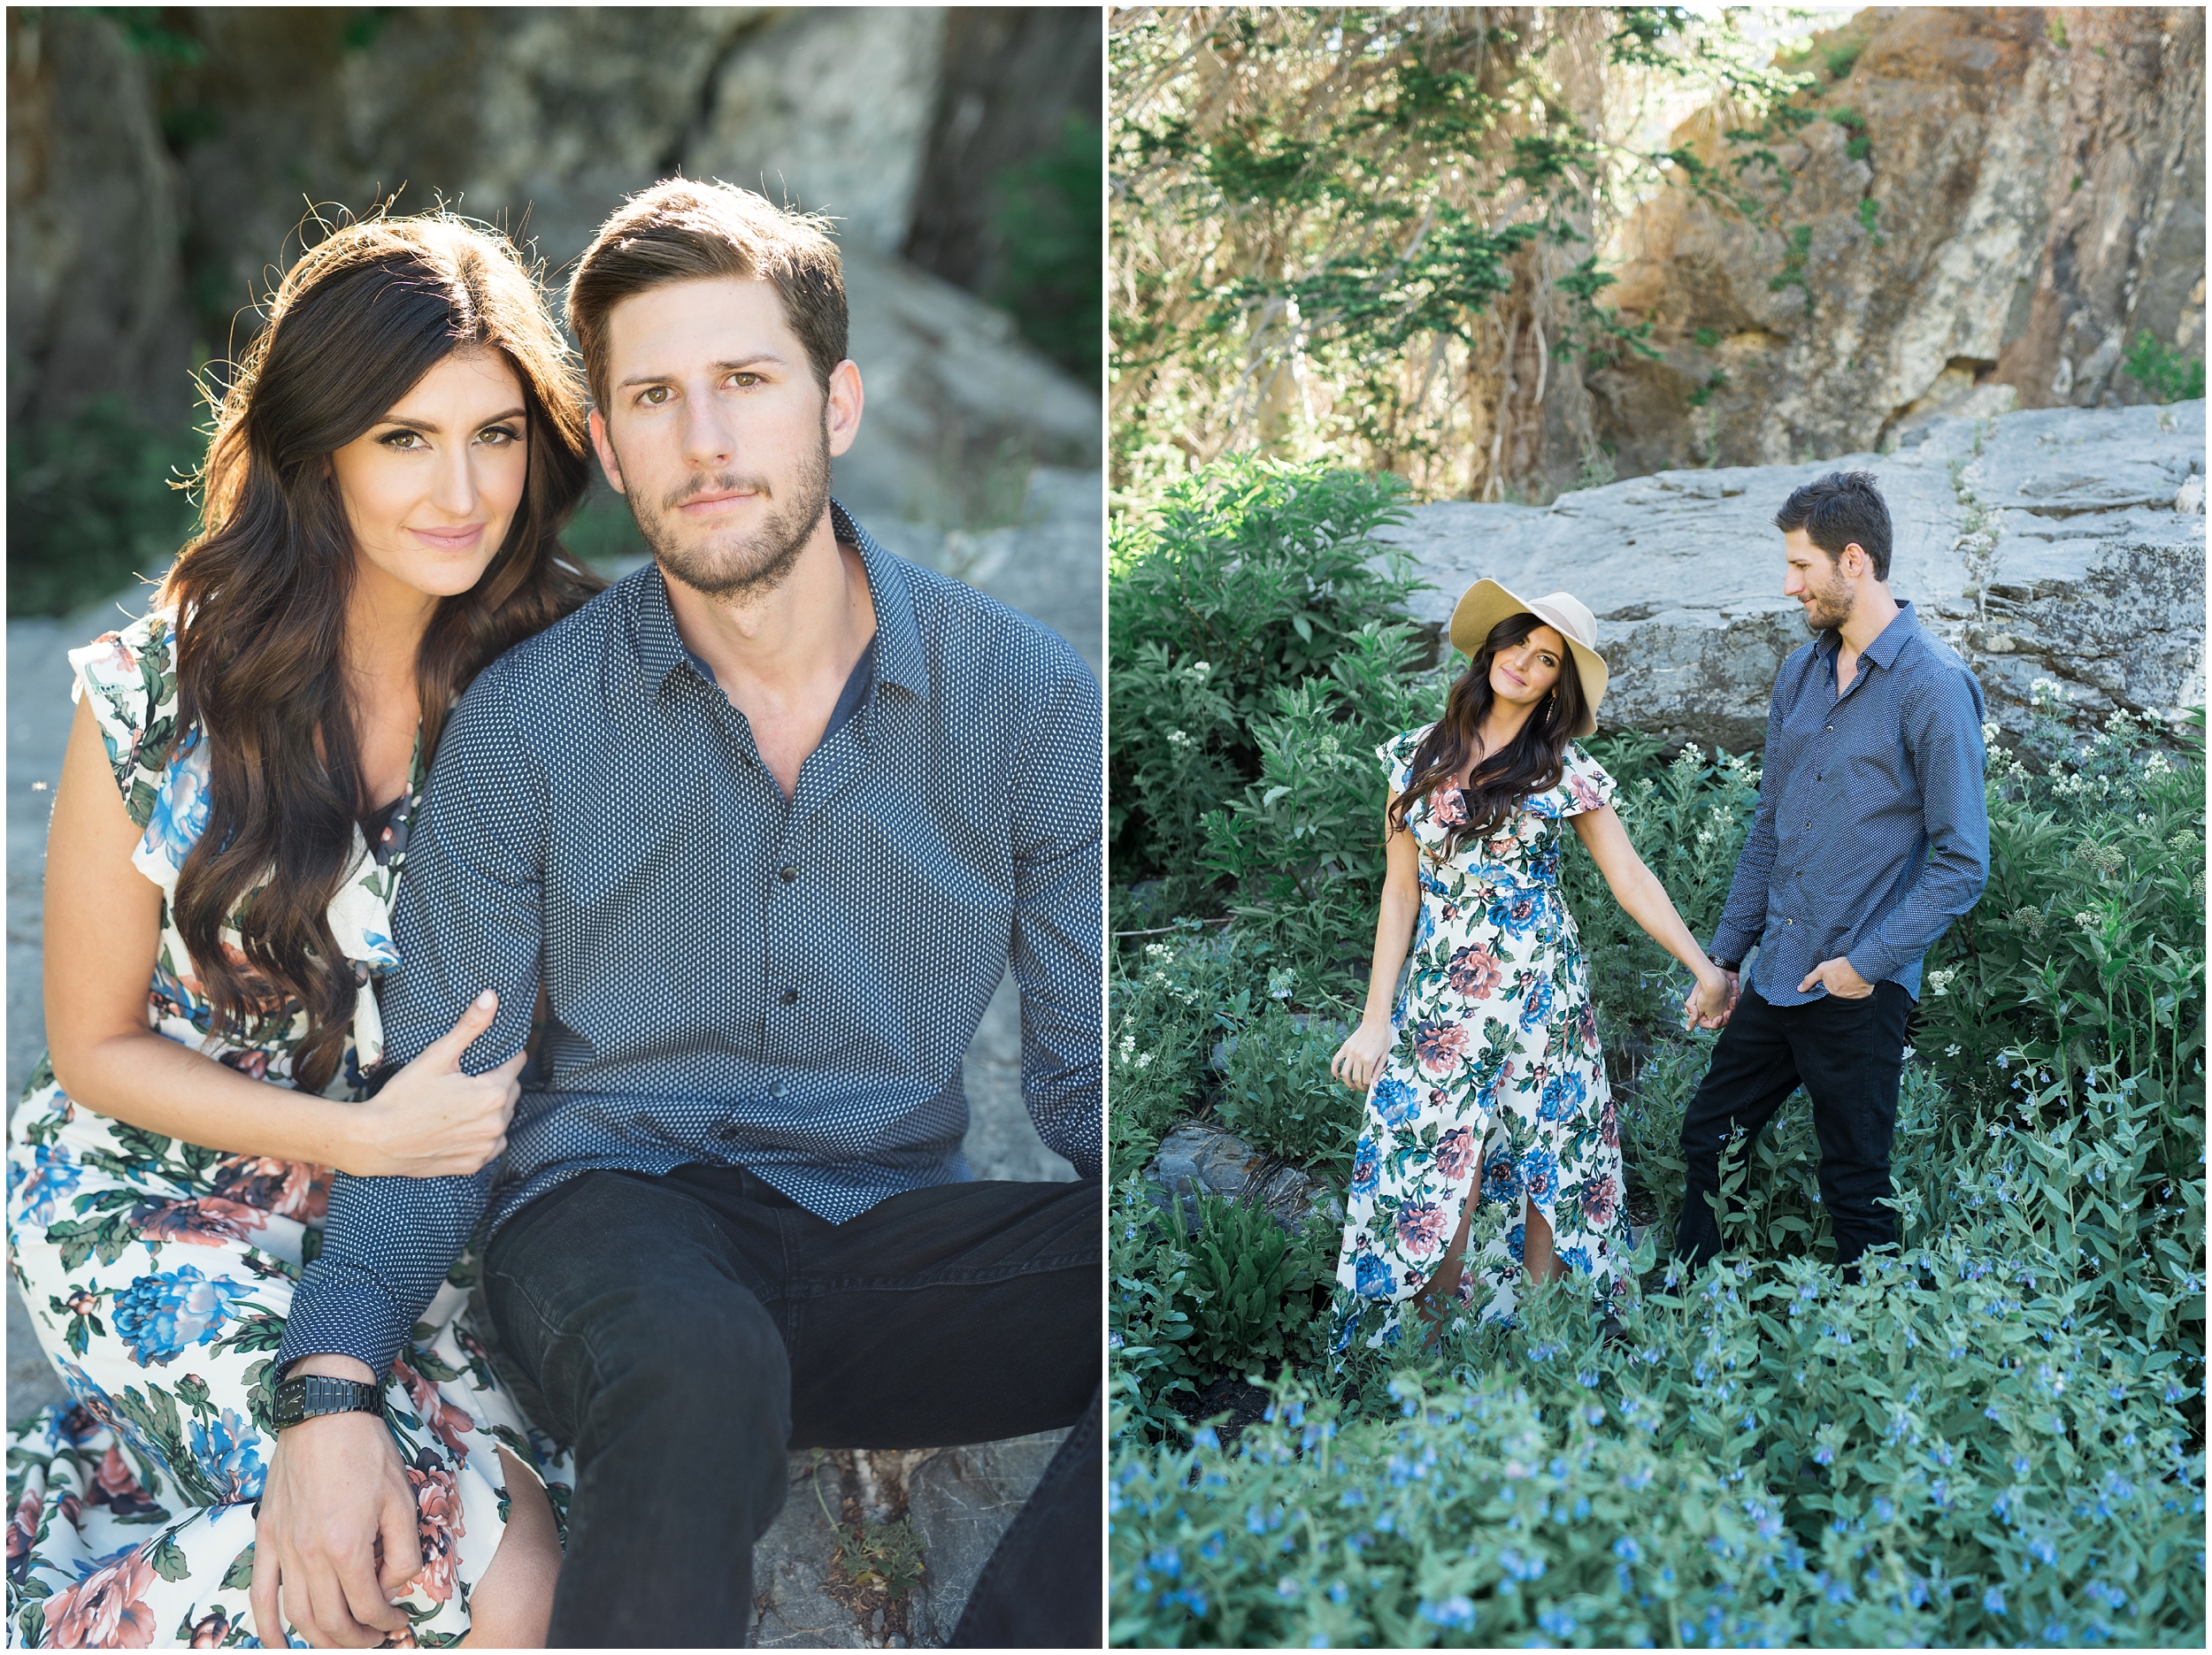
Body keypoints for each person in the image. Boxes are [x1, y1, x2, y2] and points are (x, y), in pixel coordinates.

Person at [251, 179, 1103, 1650]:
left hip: (882, 1238)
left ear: (836, 405)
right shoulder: (523, 730)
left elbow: (1088, 1075)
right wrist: (332, 1384)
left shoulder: (1025, 704)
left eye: (745, 384)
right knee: (698, 1360)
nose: (704, 443)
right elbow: (438, 1112)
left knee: (1155, 1277)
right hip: (612, 1235)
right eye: (654, 396)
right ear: (604, 438)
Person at [5, 212, 604, 1647]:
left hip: (428, 1226)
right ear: (318, 446)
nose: (463, 490)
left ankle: (85, 1517)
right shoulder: (167, 691)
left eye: (497, 434)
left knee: (522, 1565)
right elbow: (91, 1048)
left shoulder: (569, 676)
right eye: (405, 438)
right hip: (161, 1199)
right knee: (452, 1581)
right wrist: (360, 1138)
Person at [1327, 582, 1731, 1355]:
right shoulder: (1416, 754)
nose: (1525, 662)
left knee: (1555, 1152)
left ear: (1556, 685)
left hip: (1542, 989)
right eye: (1519, 642)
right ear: (1491, 647)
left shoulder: (1562, 771)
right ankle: (1432, 1352)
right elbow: (1399, 892)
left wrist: (1704, 968)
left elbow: (1631, 878)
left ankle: (1547, 1345)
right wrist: (1376, 1019)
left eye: (1547, 659)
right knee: (1439, 1163)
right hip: (1443, 995)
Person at [1672, 471, 1987, 1277]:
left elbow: (1962, 862)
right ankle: (1693, 1314)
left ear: (1854, 560)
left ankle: (1875, 1355)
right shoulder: (1800, 675)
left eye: (1801, 567)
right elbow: (1767, 833)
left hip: (1857, 987)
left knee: (1855, 1183)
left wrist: (1864, 967)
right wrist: (1722, 962)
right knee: (1710, 1135)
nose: (1789, 586)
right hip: (1777, 970)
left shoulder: (1933, 687)